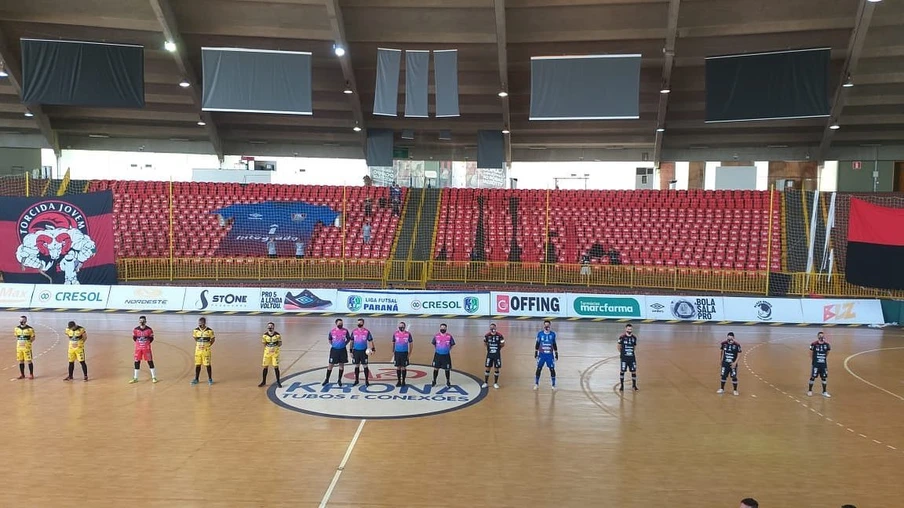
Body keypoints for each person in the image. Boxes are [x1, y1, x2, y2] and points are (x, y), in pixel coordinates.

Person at [323, 318, 351, 386]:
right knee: (330, 365)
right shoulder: (332, 331)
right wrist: (334, 345)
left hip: (342, 350)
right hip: (334, 350)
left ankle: (339, 380)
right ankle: (327, 379)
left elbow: (348, 338)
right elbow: (330, 340)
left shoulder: (345, 331)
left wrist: (344, 344)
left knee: (341, 365)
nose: (340, 325)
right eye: (339, 324)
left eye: (341, 323)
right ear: (336, 324)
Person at [131, 316, 158, 383]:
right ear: (139, 321)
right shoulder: (136, 330)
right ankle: (135, 378)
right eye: (140, 321)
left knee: (150, 361)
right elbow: (134, 338)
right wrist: (139, 344)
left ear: (145, 321)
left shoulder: (149, 330)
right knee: (137, 361)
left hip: (146, 348)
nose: (141, 322)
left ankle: (154, 377)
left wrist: (146, 343)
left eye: (143, 321)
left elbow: (151, 338)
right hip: (138, 349)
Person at [534, 320, 558, 391]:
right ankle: (536, 384)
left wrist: (556, 353)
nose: (546, 326)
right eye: (545, 325)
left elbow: (554, 344)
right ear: (544, 326)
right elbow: (537, 344)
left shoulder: (553, 334)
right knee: (539, 368)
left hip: (549, 356)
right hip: (542, 355)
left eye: (548, 325)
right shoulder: (540, 334)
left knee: (552, 369)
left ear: (550, 326)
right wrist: (536, 353)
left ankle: (553, 385)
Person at [350, 318, 374, 386]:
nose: (359, 324)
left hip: (364, 351)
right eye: (358, 323)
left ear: (363, 323)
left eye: (360, 323)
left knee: (365, 366)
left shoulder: (367, 332)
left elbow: (370, 340)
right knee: (356, 365)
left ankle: (366, 380)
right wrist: (351, 351)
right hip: (356, 351)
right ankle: (356, 380)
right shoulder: (354, 331)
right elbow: (351, 341)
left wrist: (372, 349)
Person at [191, 317, 215, 385]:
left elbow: (213, 339)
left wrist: (207, 345)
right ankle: (196, 379)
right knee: (197, 364)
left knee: (207, 364)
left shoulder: (210, 331)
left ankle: (210, 379)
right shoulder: (195, 330)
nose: (200, 324)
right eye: (199, 322)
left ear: (204, 323)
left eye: (201, 323)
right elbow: (195, 338)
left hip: (206, 350)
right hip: (198, 350)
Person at [808, 331, 831, 397]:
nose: (821, 337)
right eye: (820, 336)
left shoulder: (827, 345)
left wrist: (824, 358)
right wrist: (814, 360)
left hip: (823, 364)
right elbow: (810, 352)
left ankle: (824, 392)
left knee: (824, 377)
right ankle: (810, 390)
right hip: (816, 364)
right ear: (818, 336)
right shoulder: (813, 344)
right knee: (813, 377)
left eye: (822, 336)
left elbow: (827, 352)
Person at [259, 322, 283, 388]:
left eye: (271, 326)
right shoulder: (265, 335)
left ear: (273, 327)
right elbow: (264, 343)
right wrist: (269, 348)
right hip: (267, 353)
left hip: (275, 353)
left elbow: (280, 343)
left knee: (276, 366)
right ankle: (263, 381)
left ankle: (278, 381)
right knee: (265, 366)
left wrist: (275, 347)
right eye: (269, 326)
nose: (270, 327)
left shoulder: (277, 335)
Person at [483, 323, 505, 389]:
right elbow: (485, 343)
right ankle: (486, 382)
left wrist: (498, 348)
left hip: (497, 355)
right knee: (487, 367)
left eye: (493, 328)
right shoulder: (487, 335)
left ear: (495, 328)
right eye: (491, 328)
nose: (492, 329)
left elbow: (503, 344)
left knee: (496, 368)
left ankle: (495, 383)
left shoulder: (500, 335)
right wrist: (489, 348)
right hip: (489, 354)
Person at [392, 321, 413, 387]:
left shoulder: (408, 334)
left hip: (404, 353)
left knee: (404, 367)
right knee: (398, 367)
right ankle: (399, 381)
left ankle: (403, 381)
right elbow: (393, 342)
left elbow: (411, 344)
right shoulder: (395, 334)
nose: (401, 327)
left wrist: (410, 353)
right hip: (397, 353)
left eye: (402, 326)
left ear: (404, 327)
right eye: (400, 326)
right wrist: (393, 350)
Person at [617, 323, 638, 391]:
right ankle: (622, 386)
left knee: (633, 371)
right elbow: (618, 346)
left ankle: (634, 385)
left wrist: (631, 352)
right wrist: (622, 353)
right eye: (628, 329)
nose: (630, 330)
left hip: (632, 358)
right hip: (624, 358)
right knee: (622, 371)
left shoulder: (634, 338)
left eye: (631, 329)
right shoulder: (622, 337)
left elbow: (634, 347)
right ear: (626, 329)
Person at [14, 315, 35, 380]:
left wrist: (28, 343)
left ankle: (31, 374)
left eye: (23, 320)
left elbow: (33, 337)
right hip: (19, 348)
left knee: (29, 361)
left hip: (26, 348)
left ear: (26, 321)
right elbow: (16, 336)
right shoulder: (16, 328)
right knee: (21, 361)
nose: (21, 321)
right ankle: (22, 374)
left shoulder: (30, 329)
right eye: (20, 320)